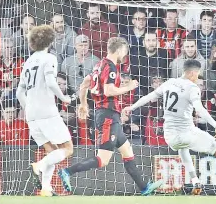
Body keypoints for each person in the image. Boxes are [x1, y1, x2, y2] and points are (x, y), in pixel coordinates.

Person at [58, 37, 163, 195]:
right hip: (107, 116)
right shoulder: (111, 67)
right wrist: (128, 86)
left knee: (127, 152)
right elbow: (108, 91)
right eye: (125, 51)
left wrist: (84, 104)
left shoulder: (98, 65)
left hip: (109, 115)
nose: (125, 55)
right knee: (102, 160)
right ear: (119, 50)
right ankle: (67, 171)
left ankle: (144, 188)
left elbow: (84, 84)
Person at [123, 59, 216, 194]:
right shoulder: (192, 87)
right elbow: (199, 109)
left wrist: (131, 107)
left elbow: (149, 97)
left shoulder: (169, 83)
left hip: (170, 137)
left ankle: (195, 182)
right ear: (193, 73)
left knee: (183, 149)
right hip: (187, 134)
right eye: (197, 74)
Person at [16, 25, 74, 197]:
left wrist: (30, 107)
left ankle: (46, 188)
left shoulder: (27, 62)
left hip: (31, 113)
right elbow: (50, 82)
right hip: (46, 111)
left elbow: (20, 92)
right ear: (51, 40)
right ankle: (38, 166)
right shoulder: (49, 58)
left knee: (52, 151)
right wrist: (64, 98)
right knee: (68, 148)